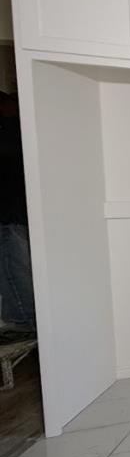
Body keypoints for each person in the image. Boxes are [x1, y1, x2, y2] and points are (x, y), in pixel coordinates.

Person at [0, 91, 34, 334]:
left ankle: (23, 319)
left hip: (11, 213)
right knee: (16, 263)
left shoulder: (11, 133)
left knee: (14, 264)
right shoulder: (16, 132)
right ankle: (23, 318)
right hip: (16, 212)